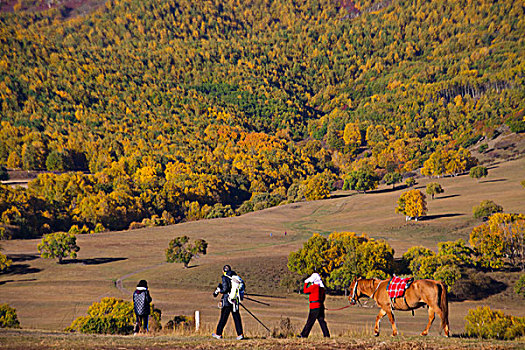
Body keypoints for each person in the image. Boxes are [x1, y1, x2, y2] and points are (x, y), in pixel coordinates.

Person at [212, 264, 244, 340]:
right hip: (235, 300)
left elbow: (225, 289)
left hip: (227, 300)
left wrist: (220, 290)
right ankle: (240, 334)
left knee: (223, 317)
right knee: (236, 317)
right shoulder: (234, 277)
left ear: (223, 271)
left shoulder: (225, 277)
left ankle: (218, 334)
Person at [297, 272, 330, 338]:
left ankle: (304, 335)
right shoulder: (321, 288)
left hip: (314, 306)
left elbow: (305, 290)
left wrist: (306, 282)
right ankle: (326, 335)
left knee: (310, 322)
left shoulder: (314, 287)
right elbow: (323, 297)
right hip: (320, 306)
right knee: (321, 321)